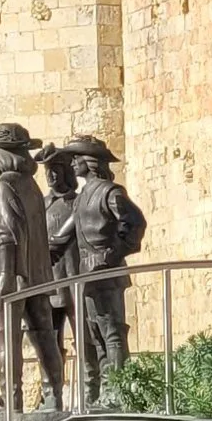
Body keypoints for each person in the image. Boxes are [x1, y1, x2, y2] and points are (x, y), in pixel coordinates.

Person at [0, 122, 64, 412]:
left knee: (8, 338)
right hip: (38, 276)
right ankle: (54, 398)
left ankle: (11, 403)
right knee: (44, 336)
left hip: (10, 276)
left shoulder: (2, 187)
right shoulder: (31, 186)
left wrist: (5, 274)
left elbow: (6, 232)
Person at [61, 134, 146, 401]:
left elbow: (134, 223)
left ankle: (120, 391)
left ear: (90, 161)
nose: (72, 163)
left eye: (76, 158)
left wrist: (113, 254)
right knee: (94, 332)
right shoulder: (82, 196)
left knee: (112, 331)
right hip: (86, 273)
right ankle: (106, 390)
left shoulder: (110, 192)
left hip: (106, 272)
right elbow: (65, 236)